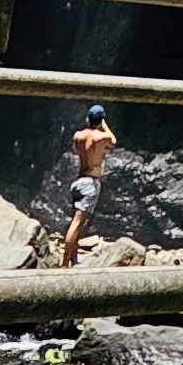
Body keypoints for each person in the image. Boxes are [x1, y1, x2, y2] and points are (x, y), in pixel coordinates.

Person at [59, 104, 115, 267]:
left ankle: (73, 259)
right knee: (77, 224)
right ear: (101, 119)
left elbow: (75, 150)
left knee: (75, 222)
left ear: (87, 119)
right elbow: (113, 140)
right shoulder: (101, 137)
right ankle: (63, 263)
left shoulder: (78, 135)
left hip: (78, 181)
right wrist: (104, 124)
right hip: (90, 183)